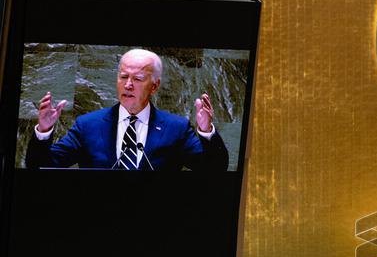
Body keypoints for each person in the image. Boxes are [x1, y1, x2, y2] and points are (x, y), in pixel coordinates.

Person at [27, 49, 228, 172]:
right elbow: (41, 166)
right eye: (123, 77)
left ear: (155, 86)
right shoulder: (88, 125)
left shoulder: (176, 128)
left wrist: (206, 131)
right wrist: (44, 131)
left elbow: (214, 169)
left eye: (138, 79)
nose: (128, 85)